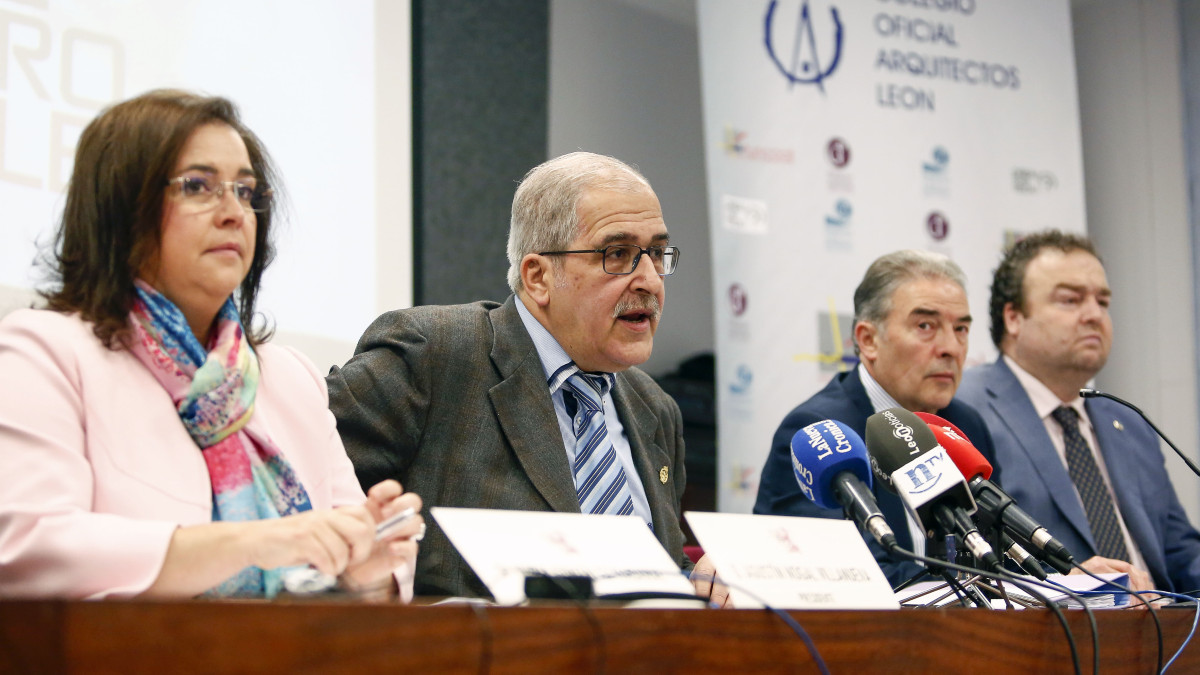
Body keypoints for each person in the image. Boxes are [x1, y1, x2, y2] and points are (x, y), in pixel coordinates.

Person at [0, 90, 423, 600]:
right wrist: (251, 542)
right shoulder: (44, 352)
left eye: (246, 192)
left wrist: (365, 567)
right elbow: (28, 548)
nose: (234, 213)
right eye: (198, 186)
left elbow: (351, 582)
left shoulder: (289, 378)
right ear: (121, 207)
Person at [327, 151, 727, 603]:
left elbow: (647, 567)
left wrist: (698, 576)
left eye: (656, 253)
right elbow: (305, 500)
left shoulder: (654, 408)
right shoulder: (433, 355)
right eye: (618, 254)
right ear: (537, 276)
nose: (650, 280)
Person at [958, 230, 1200, 593]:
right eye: (1071, 300)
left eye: (1102, 302)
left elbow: (1180, 552)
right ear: (1013, 318)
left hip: (1164, 629)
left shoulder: (1127, 421)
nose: (1094, 315)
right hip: (1055, 633)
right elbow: (968, 563)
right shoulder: (965, 411)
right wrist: (1061, 585)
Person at [754, 250, 999, 585]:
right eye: (926, 326)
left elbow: (995, 555)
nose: (951, 348)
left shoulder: (965, 426)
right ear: (868, 340)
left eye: (961, 329)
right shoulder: (820, 435)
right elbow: (842, 578)